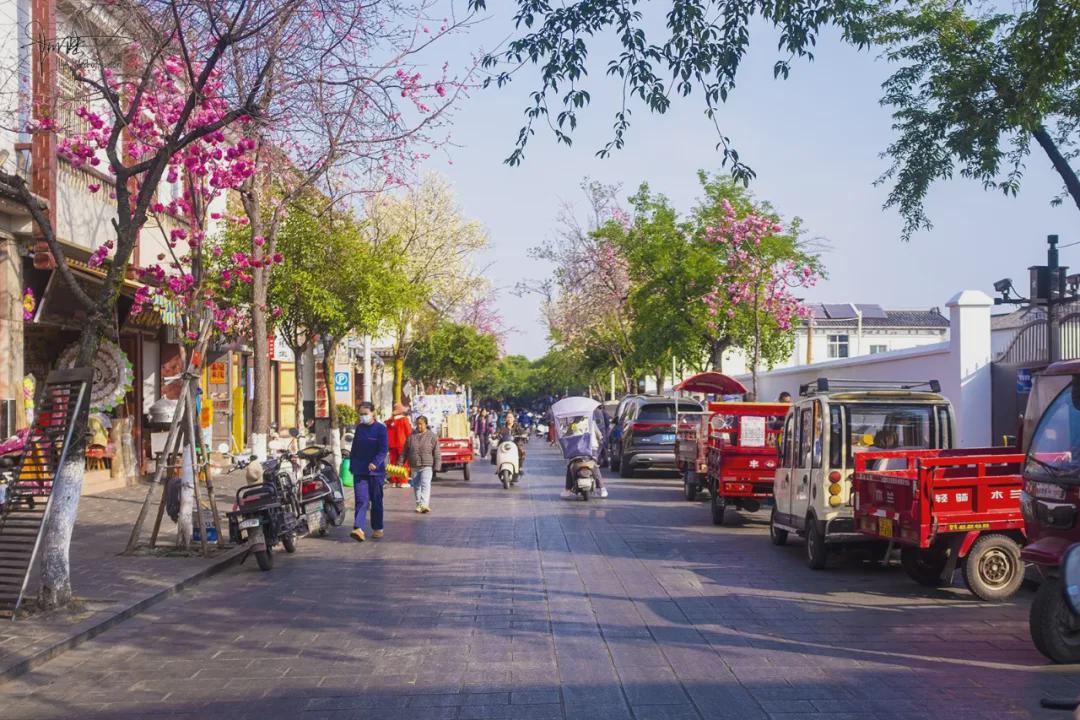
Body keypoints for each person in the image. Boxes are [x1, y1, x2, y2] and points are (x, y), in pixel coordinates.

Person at [349, 402, 387, 542]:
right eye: (361, 414)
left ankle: (378, 527)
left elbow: (383, 449)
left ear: (373, 413)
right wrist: (352, 464)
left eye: (365, 414)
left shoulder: (381, 429)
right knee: (361, 500)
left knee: (376, 500)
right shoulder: (359, 428)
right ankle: (358, 528)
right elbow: (354, 448)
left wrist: (375, 463)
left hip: (375, 472)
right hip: (359, 470)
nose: (363, 416)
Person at [403, 415, 439, 514]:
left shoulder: (432, 436)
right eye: (417, 424)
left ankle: (424, 504)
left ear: (426, 424)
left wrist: (437, 465)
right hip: (414, 464)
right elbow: (405, 451)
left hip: (427, 465)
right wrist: (400, 463)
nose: (419, 426)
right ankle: (419, 504)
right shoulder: (411, 436)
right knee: (416, 486)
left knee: (425, 484)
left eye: (421, 424)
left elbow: (436, 452)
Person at [385, 403, 413, 487]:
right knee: (403, 463)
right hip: (402, 444)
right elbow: (408, 432)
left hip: (391, 444)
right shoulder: (404, 420)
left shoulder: (389, 421)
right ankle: (403, 481)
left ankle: (394, 481)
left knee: (393, 463)